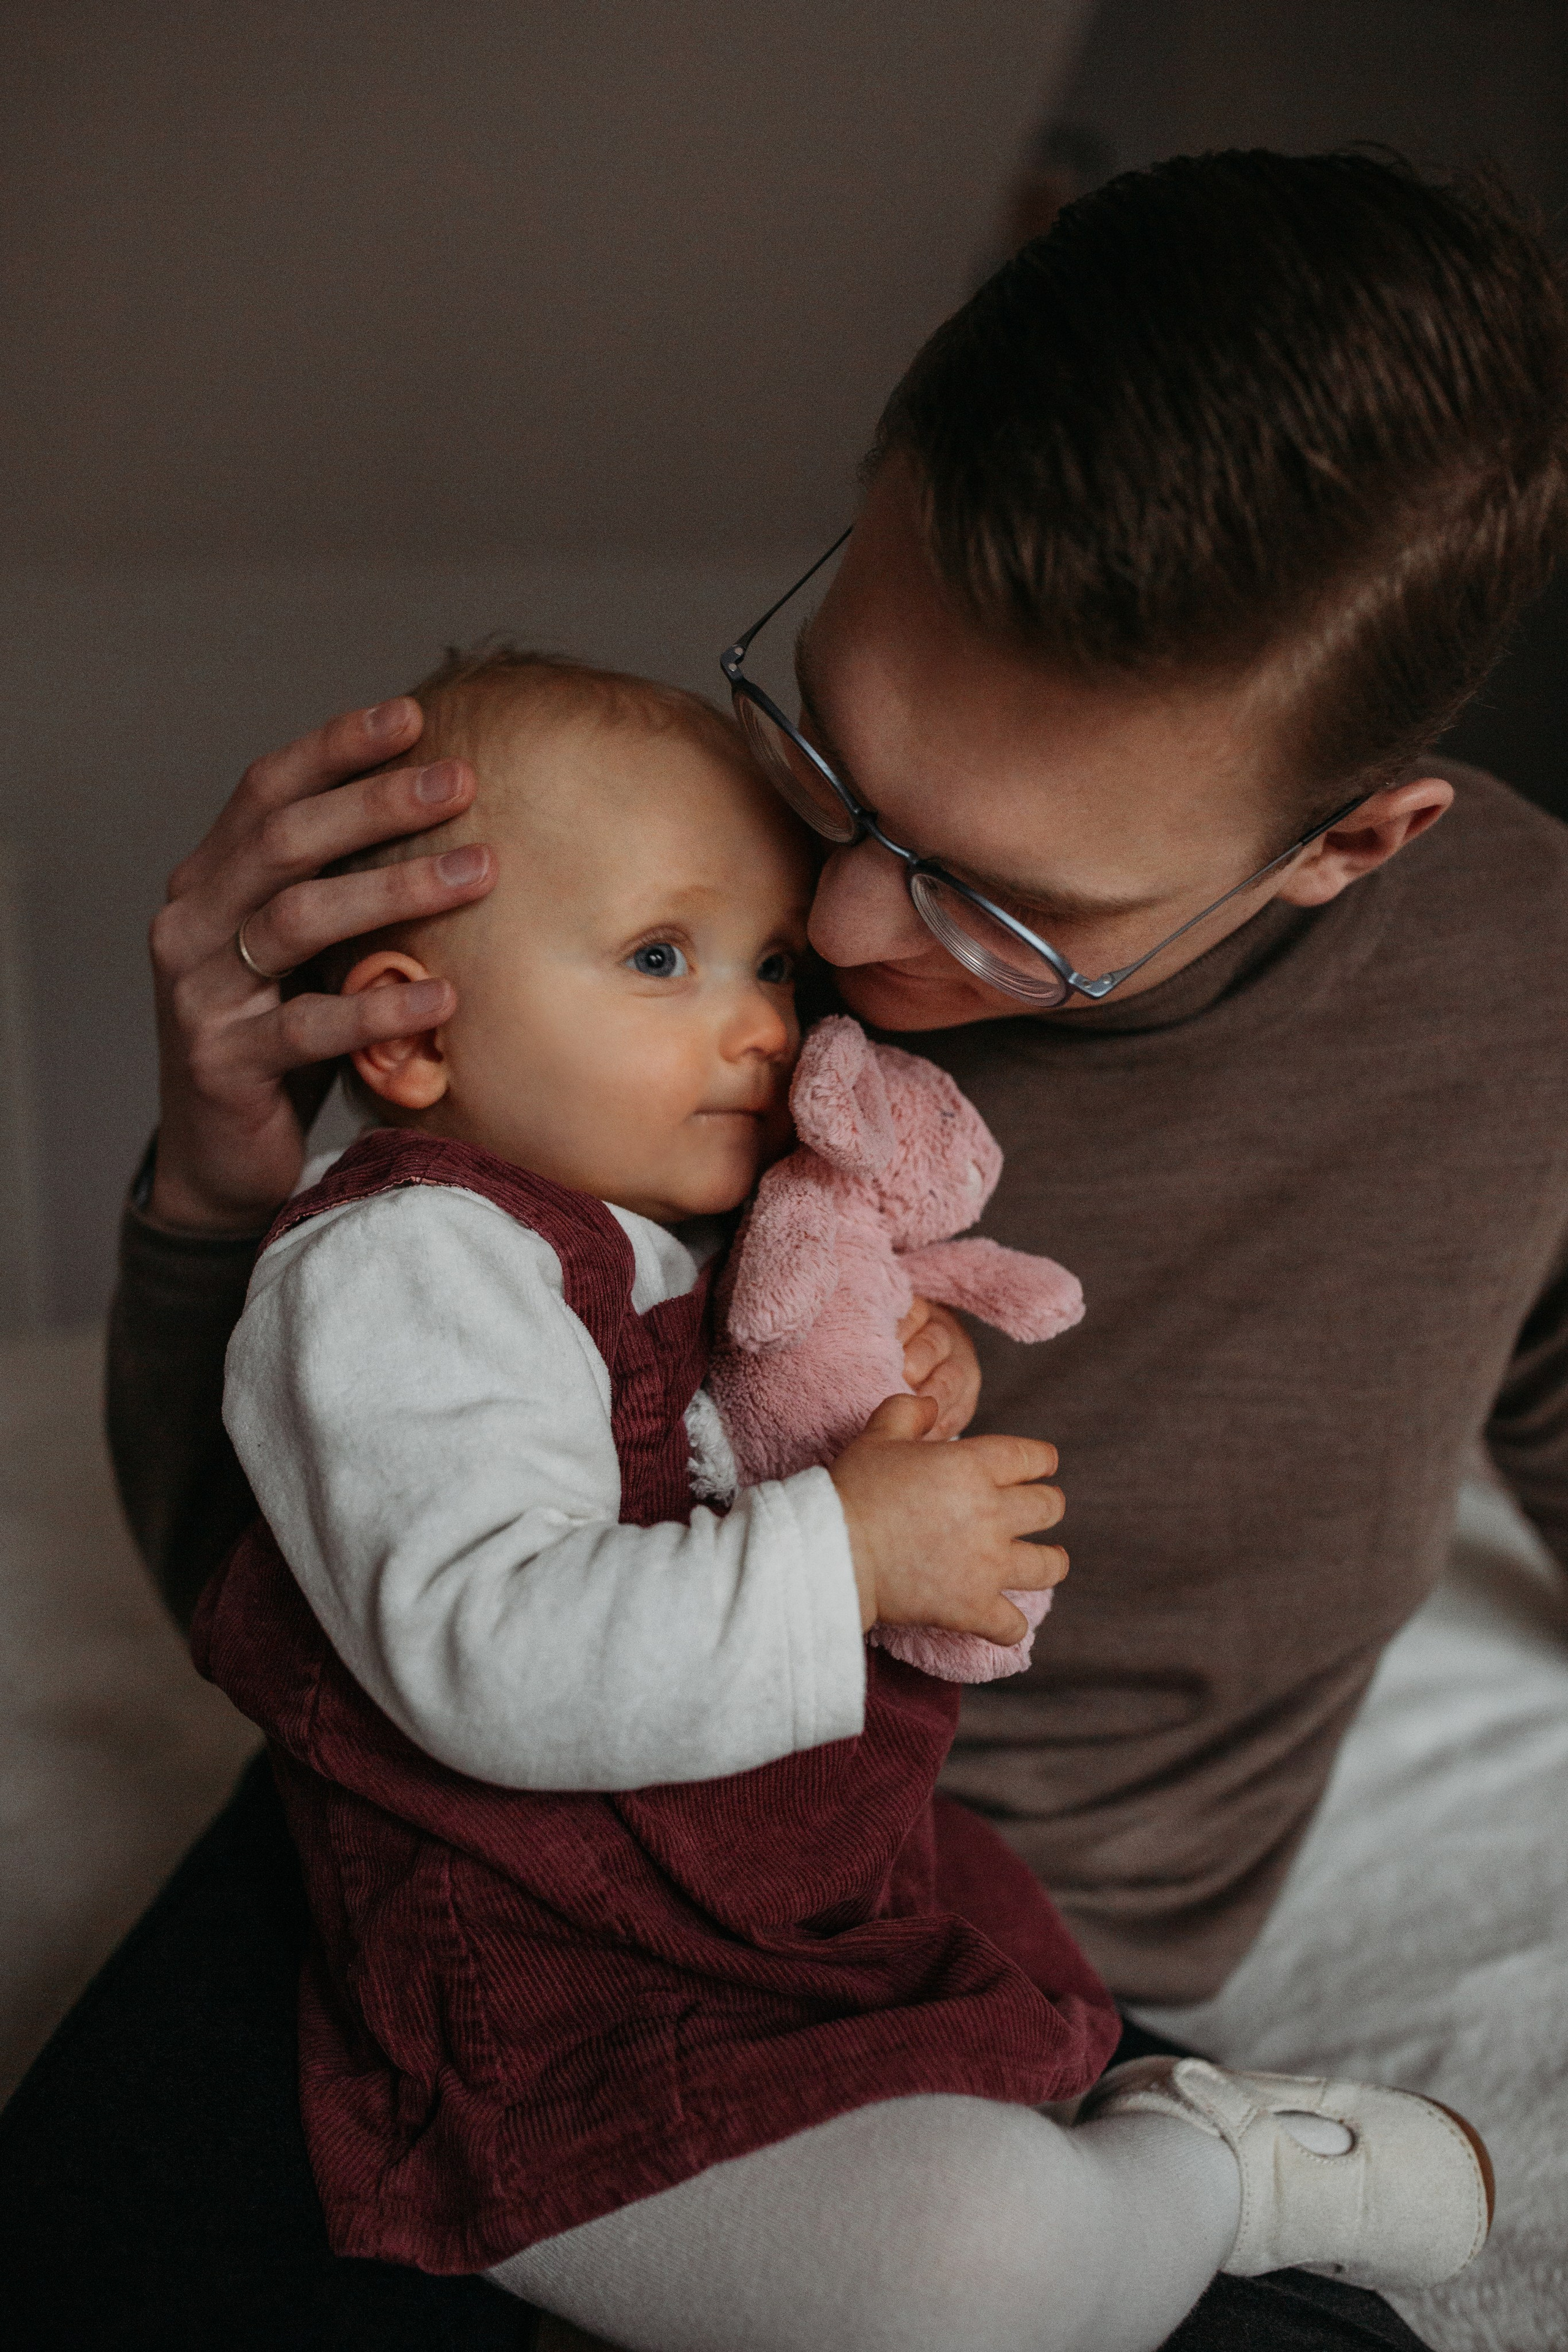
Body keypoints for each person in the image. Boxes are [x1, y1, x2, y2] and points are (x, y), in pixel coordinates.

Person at [6, 146, 1565, 2352]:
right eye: (828, 744)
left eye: (998, 900)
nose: (824, 940)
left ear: (1353, 846)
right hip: (467, 1900)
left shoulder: (1526, 1008)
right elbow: (298, 1603)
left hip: (992, 1959)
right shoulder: (635, 914)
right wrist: (218, 1187)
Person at [198, 641, 1489, 2352]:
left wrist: (855, 1449)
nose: (761, 1024)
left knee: (998, 2072)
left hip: (741, 1927)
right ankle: (1207, 2180)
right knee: (971, 2269)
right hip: (548, 2008)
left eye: (769, 963)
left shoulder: (651, 1251)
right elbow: (486, 1644)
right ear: (415, 1034)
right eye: (663, 956)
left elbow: (683, 1524)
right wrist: (850, 1548)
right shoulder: (404, 1262)